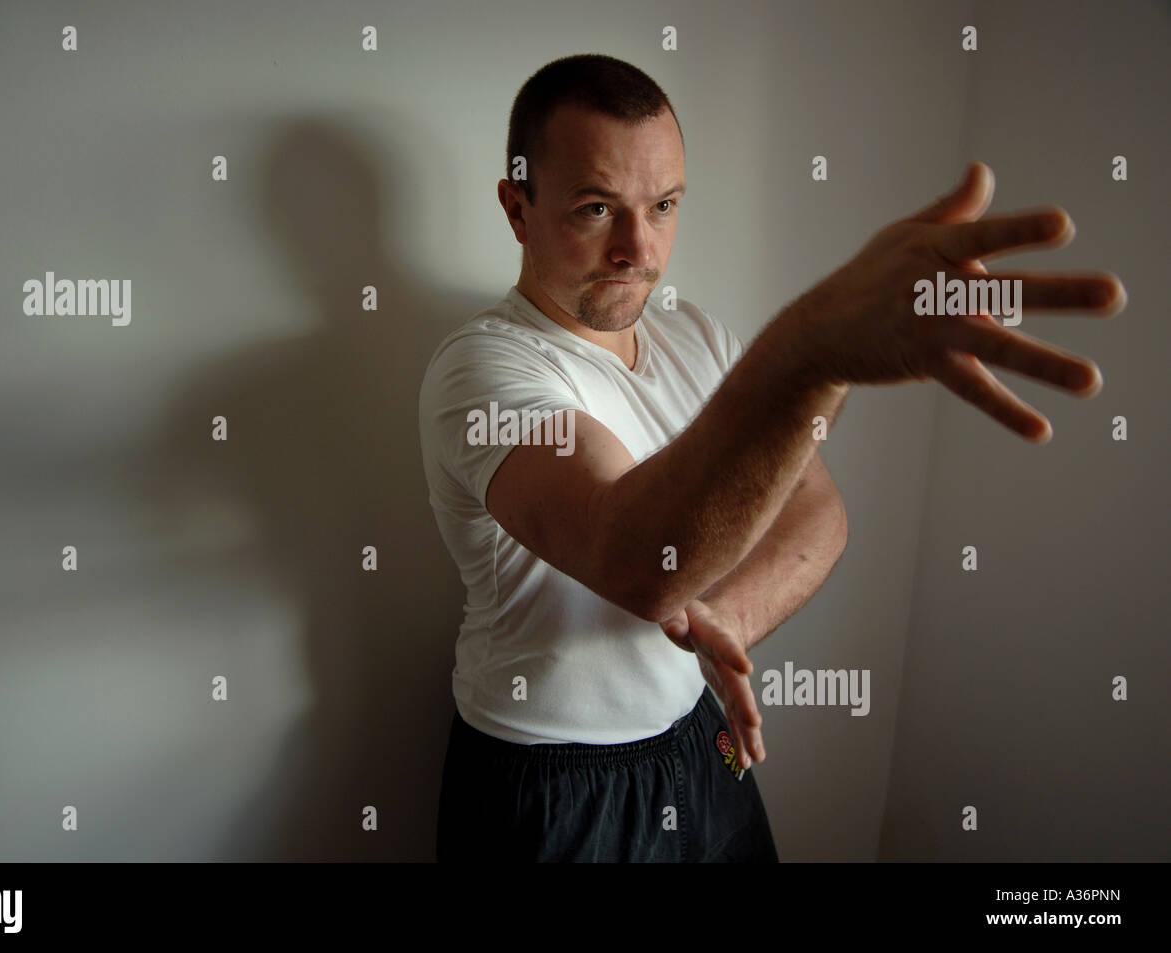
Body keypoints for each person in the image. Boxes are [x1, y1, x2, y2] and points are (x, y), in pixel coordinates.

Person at [417, 54, 1124, 863]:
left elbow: (817, 512)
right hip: (552, 780)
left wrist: (731, 618)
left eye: (664, 206)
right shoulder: (483, 369)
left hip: (698, 735)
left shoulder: (697, 336)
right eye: (594, 208)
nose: (638, 248)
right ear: (518, 207)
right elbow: (637, 560)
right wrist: (812, 350)